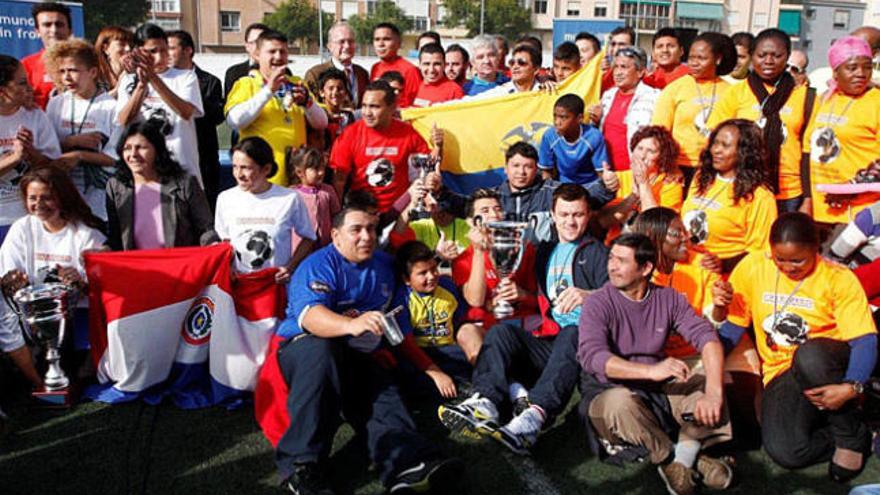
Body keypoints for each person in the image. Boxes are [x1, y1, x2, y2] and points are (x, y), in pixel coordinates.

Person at [273, 202, 463, 494]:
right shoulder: (317, 264)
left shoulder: (387, 267)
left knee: (379, 386)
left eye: (372, 229)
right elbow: (311, 318)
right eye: (356, 230)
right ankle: (302, 468)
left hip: (357, 353)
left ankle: (407, 465)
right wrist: (351, 325)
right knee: (322, 354)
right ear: (336, 235)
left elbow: (399, 331)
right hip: (305, 349)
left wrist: (433, 370)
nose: (367, 236)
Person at [439, 184, 609, 454]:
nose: (570, 221)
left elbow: (622, 297)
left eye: (577, 214)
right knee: (501, 333)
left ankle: (533, 418)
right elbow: (481, 298)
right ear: (552, 215)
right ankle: (486, 401)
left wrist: (590, 295)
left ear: (588, 216)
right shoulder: (544, 251)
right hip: (548, 340)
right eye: (564, 214)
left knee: (572, 332)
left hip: (584, 345)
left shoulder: (597, 253)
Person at [719, 213, 876, 482]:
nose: (788, 267)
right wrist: (708, 362)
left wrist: (851, 387)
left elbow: (865, 341)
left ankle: (849, 437)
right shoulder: (754, 266)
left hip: (830, 365)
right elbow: (733, 327)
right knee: (787, 453)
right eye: (780, 259)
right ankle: (862, 431)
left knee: (809, 355)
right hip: (781, 373)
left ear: (816, 249)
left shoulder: (837, 278)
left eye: (797, 260)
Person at [578, 233, 733, 494]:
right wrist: (651, 370)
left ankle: (682, 462)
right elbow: (593, 358)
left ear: (646, 268)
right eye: (611, 258)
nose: (612, 266)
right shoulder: (597, 303)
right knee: (620, 402)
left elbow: (707, 338)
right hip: (608, 392)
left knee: (709, 382)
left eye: (621, 261)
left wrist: (714, 392)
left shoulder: (668, 298)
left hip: (657, 391)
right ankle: (678, 457)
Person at [0, 167, 106, 393]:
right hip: (33, 318)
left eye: (46, 197)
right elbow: (8, 275)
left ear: (62, 197)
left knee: (77, 370)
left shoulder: (86, 233)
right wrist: (14, 281)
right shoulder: (21, 228)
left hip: (78, 316)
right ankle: (35, 374)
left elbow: (105, 284)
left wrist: (80, 281)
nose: (39, 204)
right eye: (32, 198)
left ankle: (79, 366)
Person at [708, 28, 811, 213]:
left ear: (787, 56)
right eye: (761, 55)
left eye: (776, 55)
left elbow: (808, 150)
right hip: (743, 185)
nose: (768, 61)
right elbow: (716, 138)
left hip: (789, 192)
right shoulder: (736, 92)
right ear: (752, 57)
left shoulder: (804, 96)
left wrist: (808, 198)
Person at [225, 30, 327, 186]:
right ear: (258, 55)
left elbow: (322, 123)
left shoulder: (297, 83)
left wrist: (307, 103)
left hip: (296, 179)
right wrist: (268, 91)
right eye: (272, 51)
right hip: (262, 180)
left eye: (283, 52)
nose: (278, 57)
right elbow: (235, 121)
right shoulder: (246, 84)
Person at [450, 188, 538, 363]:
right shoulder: (463, 259)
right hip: (486, 326)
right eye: (485, 211)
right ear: (471, 222)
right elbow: (475, 300)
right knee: (467, 333)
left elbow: (538, 299)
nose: (494, 215)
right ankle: (497, 384)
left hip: (521, 321)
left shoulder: (523, 249)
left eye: (498, 209)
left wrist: (521, 295)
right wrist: (478, 252)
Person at [681, 119, 777, 275]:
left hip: (725, 278)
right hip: (688, 269)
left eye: (725, 146)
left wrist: (724, 264)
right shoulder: (701, 177)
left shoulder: (760, 196)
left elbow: (761, 254)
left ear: (744, 152)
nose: (716, 150)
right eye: (715, 143)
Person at [802, 36, 880, 226]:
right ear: (836, 72)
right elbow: (806, 151)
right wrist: (807, 200)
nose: (861, 73)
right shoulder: (823, 100)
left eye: (867, 67)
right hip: (817, 210)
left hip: (859, 214)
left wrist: (850, 190)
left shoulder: (876, 102)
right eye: (852, 68)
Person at [214, 137, 315, 282]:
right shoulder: (225, 198)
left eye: (246, 168)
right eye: (235, 167)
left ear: (266, 169)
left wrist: (290, 267)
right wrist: (227, 267)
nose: (239, 174)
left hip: (274, 286)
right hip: (238, 286)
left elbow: (308, 237)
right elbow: (225, 241)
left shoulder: (289, 198)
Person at [330, 80, 438, 214]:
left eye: (374, 107)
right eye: (364, 106)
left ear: (392, 107)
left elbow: (427, 168)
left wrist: (439, 147)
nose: (367, 112)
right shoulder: (350, 134)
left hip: (399, 214)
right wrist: (337, 214)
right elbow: (339, 179)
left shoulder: (408, 133)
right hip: (362, 212)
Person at [105, 122, 217, 251]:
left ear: (157, 150)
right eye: (127, 148)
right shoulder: (115, 187)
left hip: (177, 266)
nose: (133, 154)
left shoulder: (185, 184)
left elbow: (205, 229)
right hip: (135, 267)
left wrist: (213, 245)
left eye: (140, 147)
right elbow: (115, 237)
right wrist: (102, 250)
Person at [116, 23, 205, 184]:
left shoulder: (186, 77)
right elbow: (122, 120)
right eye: (152, 52)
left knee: (183, 208)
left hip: (182, 170)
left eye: (164, 50)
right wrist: (141, 86)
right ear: (138, 51)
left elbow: (185, 112)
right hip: (144, 174)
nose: (160, 57)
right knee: (149, 208)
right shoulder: (128, 80)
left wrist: (153, 78)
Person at [44, 39, 118, 221]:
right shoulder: (56, 104)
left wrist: (80, 156)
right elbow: (46, 151)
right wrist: (71, 142)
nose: (66, 77)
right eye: (62, 71)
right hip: (62, 198)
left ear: (93, 72)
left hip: (100, 201)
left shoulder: (111, 107)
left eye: (73, 70)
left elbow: (116, 159)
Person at [652, 32, 737, 186]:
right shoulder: (675, 89)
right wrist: (669, 166)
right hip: (679, 169)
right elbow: (659, 132)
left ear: (717, 59)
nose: (694, 63)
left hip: (717, 168)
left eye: (702, 58)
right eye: (691, 58)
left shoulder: (732, 91)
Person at [393, 241, 476, 396]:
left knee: (472, 358)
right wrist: (435, 372)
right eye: (423, 273)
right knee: (405, 371)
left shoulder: (447, 286)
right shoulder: (401, 298)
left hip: (449, 349)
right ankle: (457, 387)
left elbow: (460, 321)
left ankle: (469, 386)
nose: (431, 276)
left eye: (433, 269)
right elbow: (407, 344)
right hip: (420, 353)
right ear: (406, 279)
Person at [0, 55, 61, 244]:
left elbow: (54, 168)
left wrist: (31, 152)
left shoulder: (35, 116)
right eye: (21, 83)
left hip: (28, 219)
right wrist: (15, 157)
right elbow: (15, 158)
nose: (29, 88)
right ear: (3, 90)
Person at [167, 30, 225, 209]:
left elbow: (215, 116)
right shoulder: (163, 83)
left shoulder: (209, 81)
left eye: (171, 48)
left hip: (204, 155)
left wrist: (192, 98)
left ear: (188, 50)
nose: (166, 53)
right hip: (173, 154)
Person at [600, 126, 684, 233]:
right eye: (639, 148)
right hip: (617, 243)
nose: (642, 155)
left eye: (651, 151)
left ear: (662, 157)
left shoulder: (671, 185)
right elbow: (603, 222)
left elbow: (659, 230)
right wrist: (633, 197)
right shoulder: (620, 177)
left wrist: (643, 183)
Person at [594, 47, 659, 171]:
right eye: (616, 67)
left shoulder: (654, 97)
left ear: (640, 72)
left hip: (636, 173)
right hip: (606, 173)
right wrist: (596, 120)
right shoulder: (607, 96)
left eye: (623, 67)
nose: (617, 72)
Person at [538, 94, 609, 191]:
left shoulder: (593, 136)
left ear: (579, 118)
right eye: (555, 116)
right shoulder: (549, 136)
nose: (557, 122)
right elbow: (546, 172)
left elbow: (601, 174)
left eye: (563, 117)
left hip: (589, 186)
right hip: (563, 187)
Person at [287, 147, 340, 250]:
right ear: (299, 172)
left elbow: (336, 216)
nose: (321, 172)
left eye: (322, 168)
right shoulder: (292, 195)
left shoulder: (328, 191)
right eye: (315, 169)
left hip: (324, 246)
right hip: (298, 249)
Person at [304, 22, 368, 107]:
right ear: (330, 46)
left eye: (351, 41)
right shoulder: (315, 74)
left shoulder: (362, 74)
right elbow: (310, 107)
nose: (347, 46)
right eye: (342, 42)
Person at [22, 2, 72, 109]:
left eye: (59, 24)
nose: (54, 30)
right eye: (47, 25)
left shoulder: (86, 64)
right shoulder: (25, 66)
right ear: (37, 31)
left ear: (70, 30)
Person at [370, 23, 421, 109]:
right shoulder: (375, 68)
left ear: (398, 43)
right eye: (377, 39)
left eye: (386, 39)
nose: (381, 44)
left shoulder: (409, 70)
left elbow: (413, 103)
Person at [470, 44, 544, 99]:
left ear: (536, 69)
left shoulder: (547, 92)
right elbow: (469, 102)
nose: (515, 66)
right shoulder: (499, 93)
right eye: (512, 63)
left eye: (521, 63)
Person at [223, 23, 268, 97]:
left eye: (262, 42)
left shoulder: (282, 72)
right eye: (254, 42)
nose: (258, 47)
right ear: (246, 46)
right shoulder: (233, 73)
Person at [315, 68, 356, 150]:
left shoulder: (348, 116)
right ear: (321, 92)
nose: (335, 92)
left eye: (340, 88)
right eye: (331, 88)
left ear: (345, 92)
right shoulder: (317, 115)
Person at [413, 43, 464, 107]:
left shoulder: (454, 91)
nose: (431, 70)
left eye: (437, 64)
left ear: (444, 65)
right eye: (427, 64)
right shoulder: (413, 86)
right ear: (419, 65)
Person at [94, 26, 133, 97]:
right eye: (122, 44)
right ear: (106, 49)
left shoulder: (135, 73)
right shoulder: (95, 75)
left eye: (131, 45)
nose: (128, 49)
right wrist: (119, 87)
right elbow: (97, 102)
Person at [600, 26, 635, 91]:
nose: (616, 48)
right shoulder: (602, 76)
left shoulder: (640, 75)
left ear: (632, 47)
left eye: (621, 44)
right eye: (613, 44)